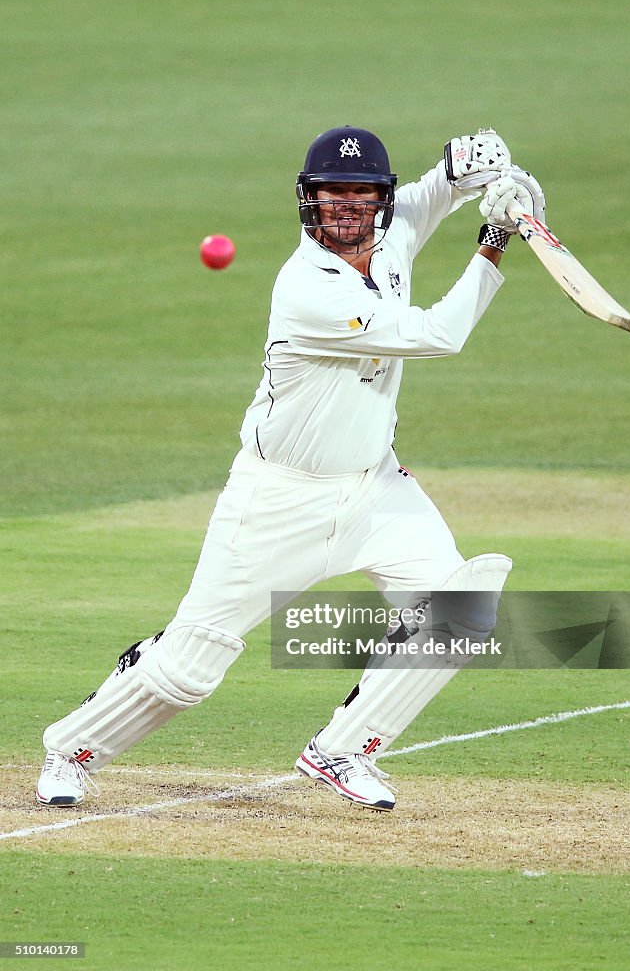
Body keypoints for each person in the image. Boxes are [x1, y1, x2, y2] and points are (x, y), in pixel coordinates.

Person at [36, 126, 545, 812]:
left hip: (374, 489)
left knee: (457, 611)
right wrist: (495, 241)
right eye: (330, 195)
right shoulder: (309, 288)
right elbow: (437, 335)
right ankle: (71, 752)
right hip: (277, 500)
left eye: (360, 195)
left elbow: (433, 192)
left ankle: (343, 750)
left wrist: (475, 171)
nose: (345, 208)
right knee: (190, 667)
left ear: (378, 202)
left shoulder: (388, 239)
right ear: (308, 201)